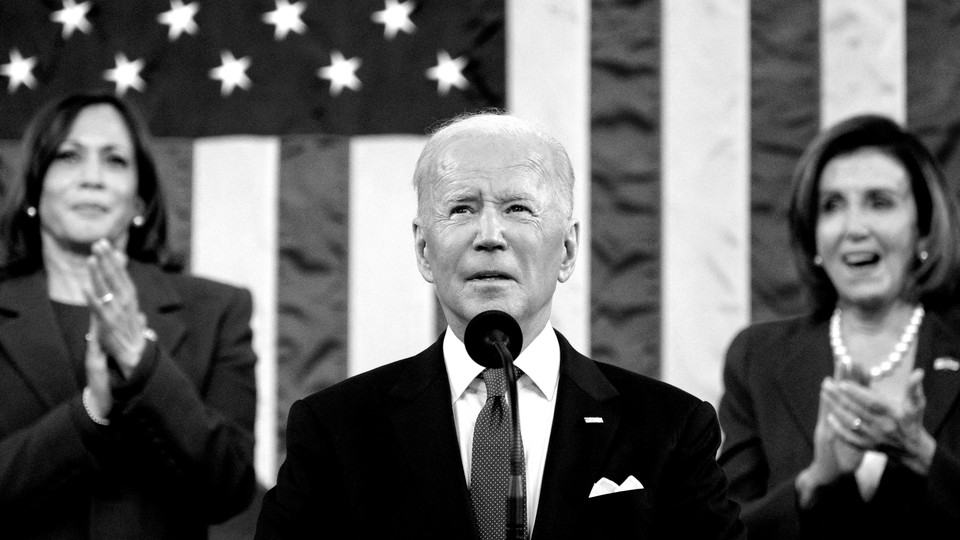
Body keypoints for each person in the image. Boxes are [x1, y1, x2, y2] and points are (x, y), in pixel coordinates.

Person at [255, 111, 746, 539]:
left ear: (568, 250)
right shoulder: (335, 430)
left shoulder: (670, 428)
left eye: (518, 209)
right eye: (462, 209)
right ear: (425, 250)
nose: (490, 236)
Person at [0, 93, 258, 538]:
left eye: (115, 160)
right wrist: (91, 411)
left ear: (140, 202)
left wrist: (143, 365)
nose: (92, 178)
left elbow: (230, 486)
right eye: (69, 156)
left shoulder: (216, 310)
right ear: (35, 190)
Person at [718, 114, 960, 539]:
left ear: (922, 230)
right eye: (832, 206)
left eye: (879, 202)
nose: (854, 228)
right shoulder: (758, 358)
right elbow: (724, 532)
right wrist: (816, 481)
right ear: (813, 239)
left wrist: (923, 456)